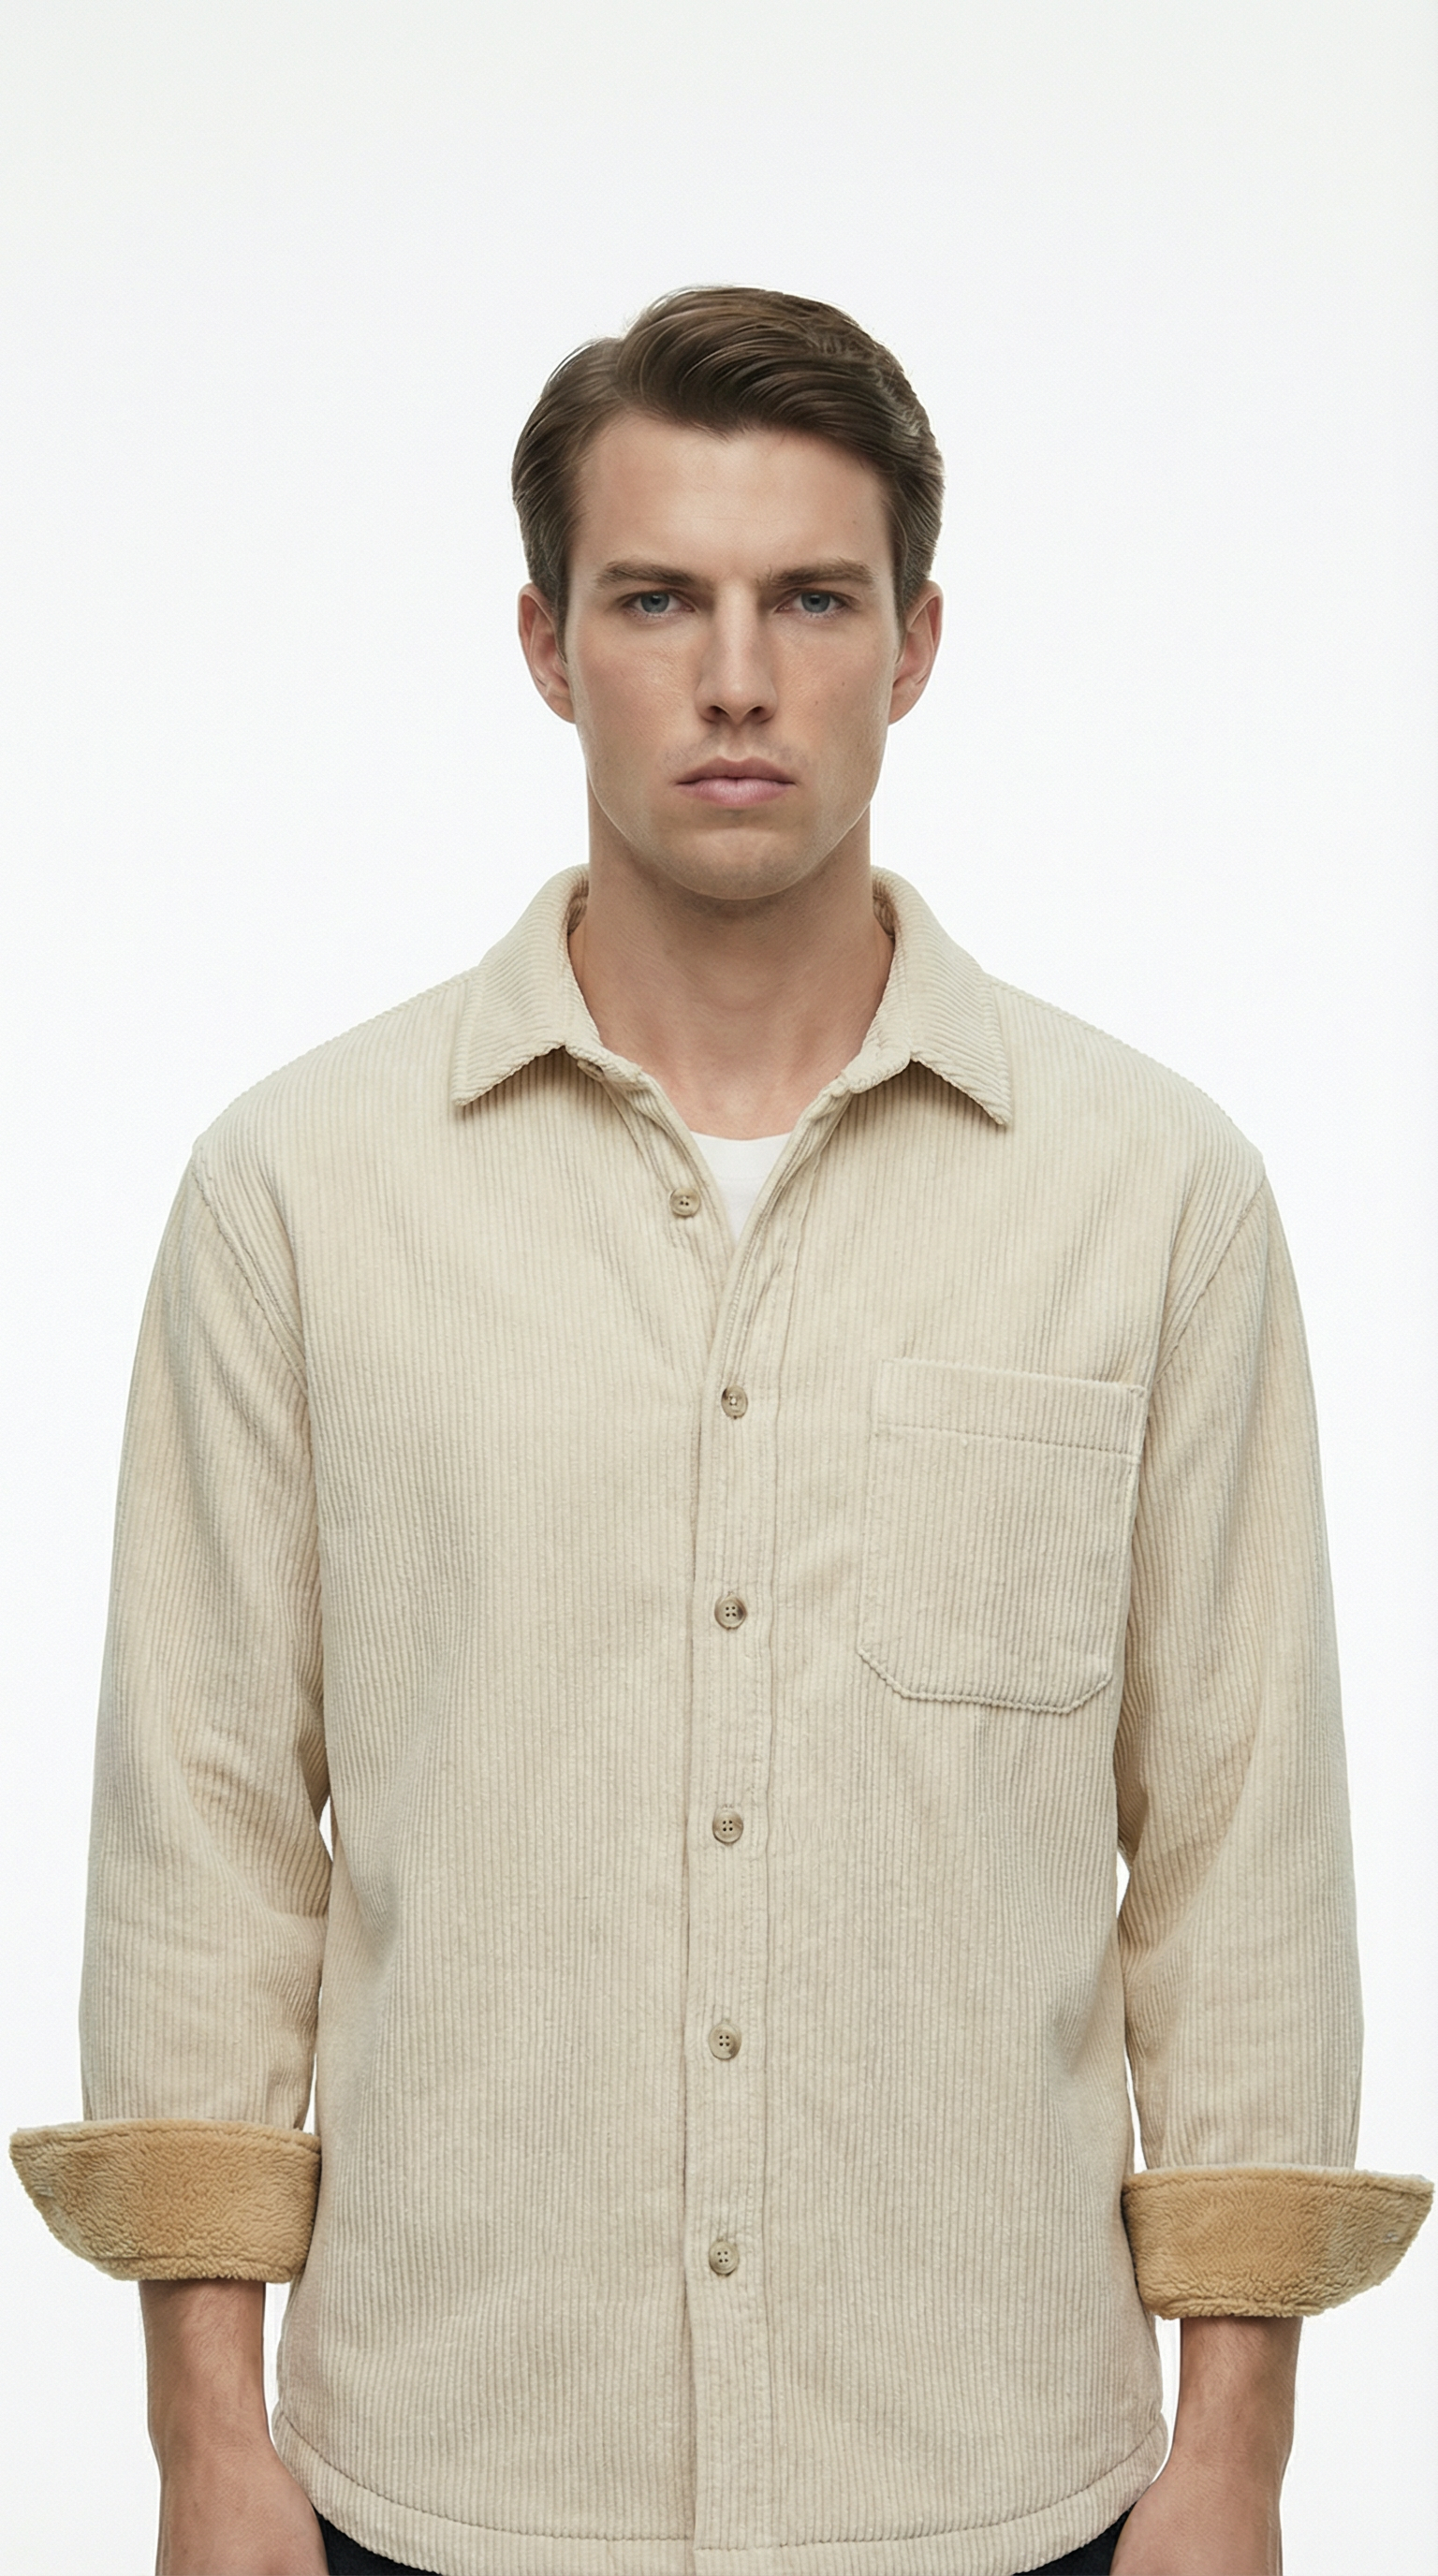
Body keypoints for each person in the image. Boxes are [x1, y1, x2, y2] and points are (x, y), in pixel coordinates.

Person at [10, 285, 1430, 2576]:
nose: (739, 674)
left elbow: (1243, 1845)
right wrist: (208, 2440)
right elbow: (204, 1832)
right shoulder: (298, 1193)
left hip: (1012, 2494)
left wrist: (1233, 2460)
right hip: (437, 2488)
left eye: (812, 598)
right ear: (548, 646)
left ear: (920, 639)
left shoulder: (1153, 1196)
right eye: (658, 597)